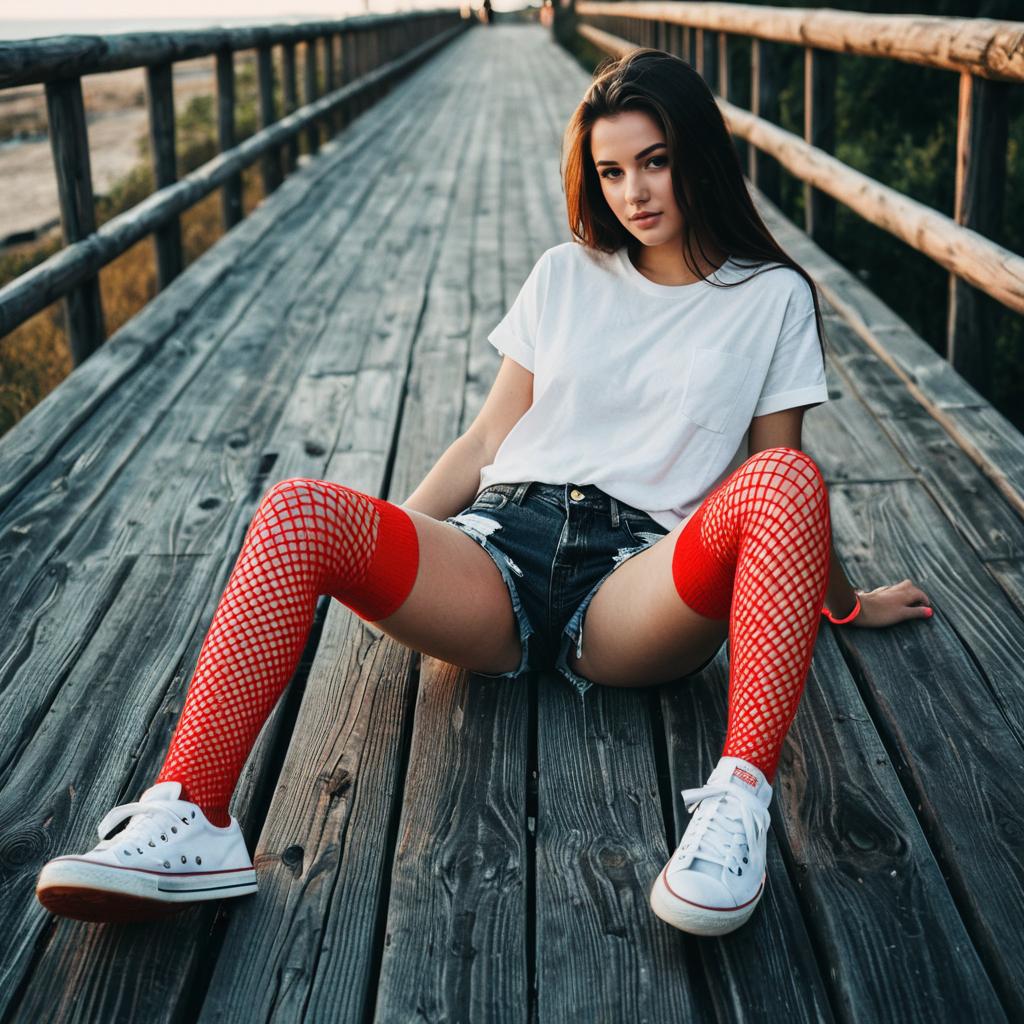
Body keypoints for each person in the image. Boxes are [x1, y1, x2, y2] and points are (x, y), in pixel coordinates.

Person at [36, 48, 933, 935]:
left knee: (783, 475)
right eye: (611, 171)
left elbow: (784, 494)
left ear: (698, 153)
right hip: (497, 548)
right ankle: (189, 817)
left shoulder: (771, 298)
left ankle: (735, 808)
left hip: (639, 584)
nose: (635, 193)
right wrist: (380, 548)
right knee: (299, 508)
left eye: (655, 161)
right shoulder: (565, 274)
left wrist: (845, 606)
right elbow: (490, 438)